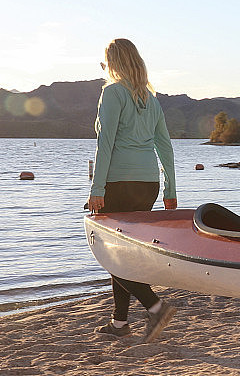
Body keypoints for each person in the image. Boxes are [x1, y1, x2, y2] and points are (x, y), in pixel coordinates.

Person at [88, 38, 178, 342]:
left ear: (113, 63)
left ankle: (155, 307)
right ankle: (119, 322)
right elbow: (164, 146)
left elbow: (106, 143)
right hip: (147, 183)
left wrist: (96, 187)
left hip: (118, 183)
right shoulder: (152, 100)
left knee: (112, 253)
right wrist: (170, 189)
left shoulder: (112, 93)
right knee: (122, 253)